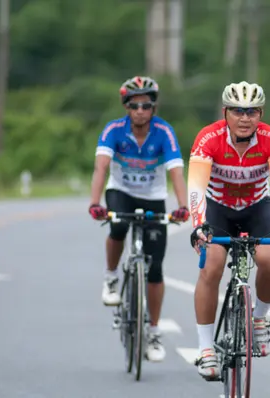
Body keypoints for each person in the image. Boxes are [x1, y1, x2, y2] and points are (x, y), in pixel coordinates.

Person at [187, 81, 270, 380]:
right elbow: (197, 187)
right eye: (237, 111)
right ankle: (205, 349)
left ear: (260, 114)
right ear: (225, 112)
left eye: (252, 112)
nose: (244, 118)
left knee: (269, 259)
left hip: (255, 208)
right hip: (217, 209)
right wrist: (198, 224)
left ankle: (260, 320)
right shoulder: (208, 138)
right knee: (211, 266)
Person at [88, 76, 190, 362]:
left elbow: (176, 172)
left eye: (146, 105)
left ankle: (154, 331)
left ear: (153, 108)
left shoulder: (164, 133)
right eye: (135, 106)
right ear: (126, 107)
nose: (141, 111)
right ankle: (111, 278)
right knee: (118, 225)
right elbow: (101, 167)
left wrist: (182, 206)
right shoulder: (113, 130)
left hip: (153, 196)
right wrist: (95, 202)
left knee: (155, 268)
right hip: (121, 191)